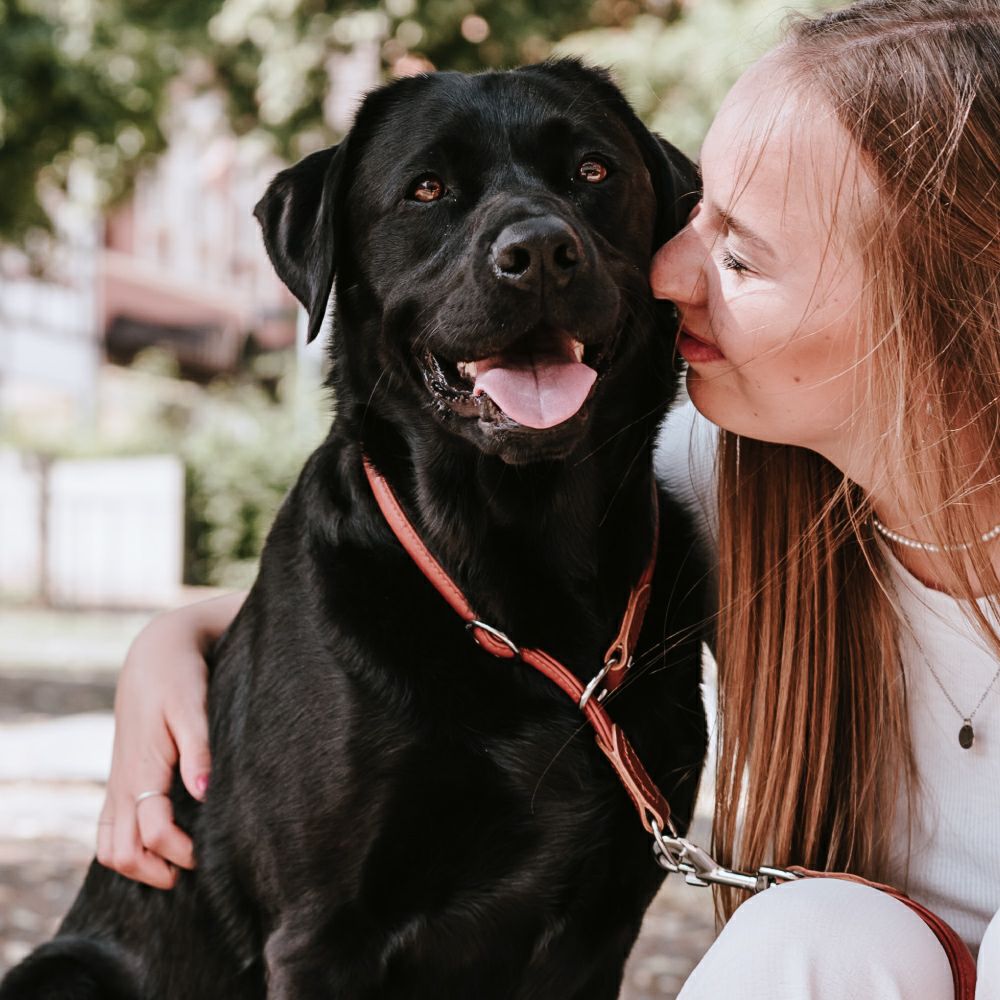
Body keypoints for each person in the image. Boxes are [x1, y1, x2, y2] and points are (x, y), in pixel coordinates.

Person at [94, 1, 1000, 995]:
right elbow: (376, 621)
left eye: (740, 252)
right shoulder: (719, 483)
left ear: (938, 299)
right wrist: (174, 642)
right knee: (820, 930)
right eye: (694, 216)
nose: (667, 269)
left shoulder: (708, 488)